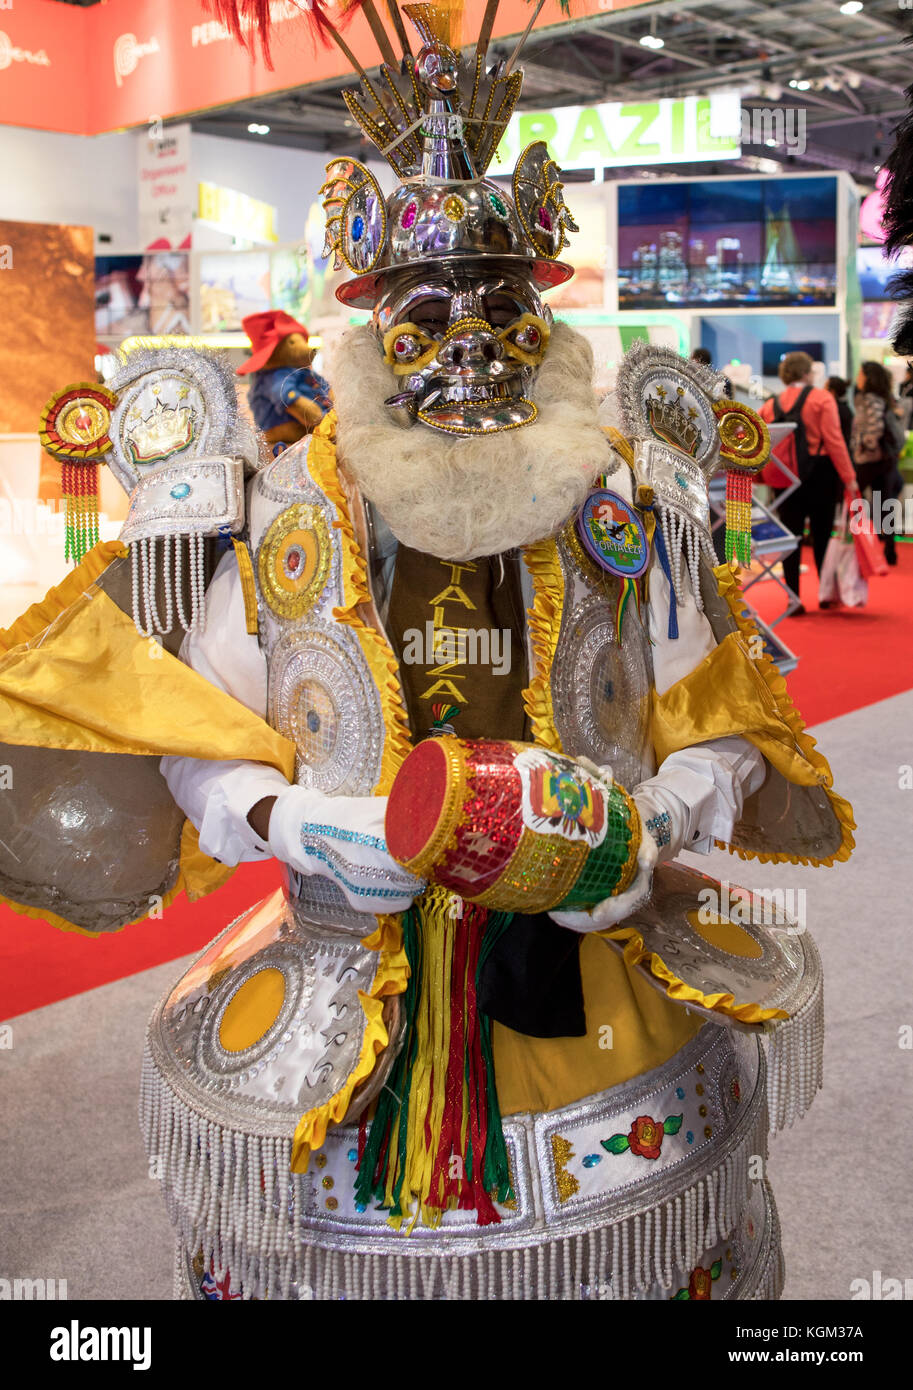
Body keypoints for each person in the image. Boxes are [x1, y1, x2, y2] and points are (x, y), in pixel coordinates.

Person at [0, 0, 854, 1302]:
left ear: (548, 315)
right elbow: (193, 720)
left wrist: (668, 806)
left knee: (633, 1252)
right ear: (370, 324)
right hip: (352, 965)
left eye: (504, 309)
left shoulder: (622, 495)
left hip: (591, 952)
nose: (470, 348)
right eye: (429, 312)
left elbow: (722, 697)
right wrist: (285, 816)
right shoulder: (291, 502)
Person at [759, 351, 860, 609]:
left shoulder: (771, 404)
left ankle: (793, 599)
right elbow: (835, 441)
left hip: (784, 477)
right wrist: (849, 478)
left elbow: (759, 441)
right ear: (807, 372)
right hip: (820, 474)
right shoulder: (822, 398)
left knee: (790, 537)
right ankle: (826, 594)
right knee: (822, 533)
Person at [237, 309, 332, 447]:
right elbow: (285, 395)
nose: (306, 348)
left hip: (314, 427)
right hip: (282, 430)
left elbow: (324, 387)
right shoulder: (274, 377)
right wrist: (312, 415)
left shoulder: (304, 371)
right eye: (293, 343)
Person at [851, 360, 904, 565]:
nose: (858, 378)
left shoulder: (869, 399)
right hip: (886, 460)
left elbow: (874, 428)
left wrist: (864, 446)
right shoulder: (885, 398)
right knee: (885, 505)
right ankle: (890, 550)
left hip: (870, 460)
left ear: (867, 377)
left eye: (860, 374)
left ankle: (856, 547)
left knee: (855, 500)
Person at [826, 375, 854, 451]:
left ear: (832, 392)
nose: (822, 391)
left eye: (825, 388)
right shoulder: (845, 408)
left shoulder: (835, 410)